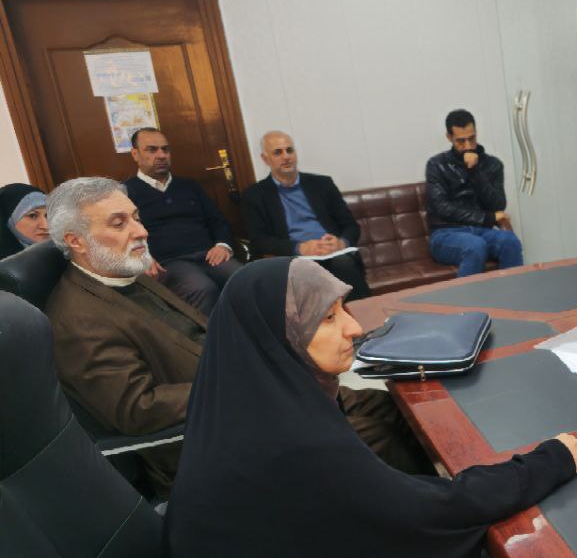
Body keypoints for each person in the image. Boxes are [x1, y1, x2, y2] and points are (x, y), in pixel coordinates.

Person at [163, 257, 577, 558]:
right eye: (327, 318)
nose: (353, 327)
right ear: (281, 336)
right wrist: (547, 463)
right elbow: (429, 511)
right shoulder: (294, 440)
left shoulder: (240, 400)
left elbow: (372, 496)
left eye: (342, 310)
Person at [43, 177, 428, 498]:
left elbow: (202, 338)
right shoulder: (77, 319)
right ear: (76, 241)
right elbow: (137, 408)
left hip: (248, 401)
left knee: (387, 404)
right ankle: (415, 522)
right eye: (119, 223)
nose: (141, 231)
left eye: (136, 217)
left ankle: (432, 496)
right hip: (211, 441)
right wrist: (244, 383)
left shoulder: (125, 277)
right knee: (369, 436)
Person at [123, 128, 243, 315]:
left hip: (208, 255)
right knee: (202, 288)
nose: (161, 155)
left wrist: (223, 245)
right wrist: (141, 257)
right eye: (152, 150)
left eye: (165, 149)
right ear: (135, 154)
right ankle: (204, 335)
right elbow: (123, 235)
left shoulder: (190, 187)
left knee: (243, 278)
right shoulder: (125, 193)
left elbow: (218, 221)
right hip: (169, 263)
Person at [241, 131, 371, 298]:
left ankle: (365, 313)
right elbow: (260, 241)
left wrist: (341, 243)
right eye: (278, 152)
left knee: (344, 264)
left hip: (332, 253)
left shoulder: (322, 184)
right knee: (306, 274)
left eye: (290, 150)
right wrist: (300, 248)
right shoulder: (254, 195)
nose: (286, 157)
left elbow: (350, 225)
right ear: (265, 159)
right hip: (295, 258)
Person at [425, 109, 522, 277]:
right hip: (445, 234)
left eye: (471, 138)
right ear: (449, 137)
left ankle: (514, 293)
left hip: (481, 231)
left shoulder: (493, 164)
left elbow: (498, 204)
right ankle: (463, 296)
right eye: (461, 141)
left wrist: (475, 172)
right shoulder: (436, 165)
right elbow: (441, 208)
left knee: (510, 242)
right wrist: (488, 218)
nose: (468, 146)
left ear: (476, 133)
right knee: (475, 246)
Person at [0, 182, 48, 258]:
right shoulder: (5, 265)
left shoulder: (63, 253)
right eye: (32, 216)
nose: (46, 226)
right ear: (8, 221)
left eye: (47, 215)